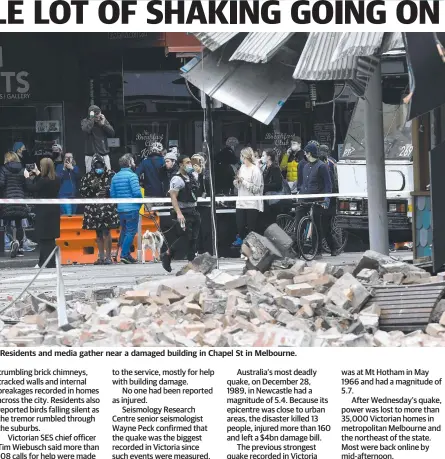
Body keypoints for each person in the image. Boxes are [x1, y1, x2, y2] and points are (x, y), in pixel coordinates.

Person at [293, 142, 339, 257]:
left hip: (317, 199)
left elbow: (328, 185)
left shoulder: (322, 166)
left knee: (317, 224)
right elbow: (302, 183)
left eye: (305, 152)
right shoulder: (305, 166)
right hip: (304, 197)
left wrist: (326, 200)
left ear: (309, 153)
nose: (304, 154)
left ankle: (317, 250)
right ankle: (297, 249)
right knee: (298, 221)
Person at [161, 155, 201, 272]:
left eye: (190, 162)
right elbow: (173, 197)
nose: (190, 164)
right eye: (187, 162)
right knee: (185, 237)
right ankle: (167, 254)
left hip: (193, 210)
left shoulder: (192, 176)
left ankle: (191, 263)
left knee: (194, 238)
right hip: (183, 211)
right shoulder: (177, 179)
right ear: (181, 164)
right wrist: (179, 213)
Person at [80, 154, 120, 265]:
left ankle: (108, 257)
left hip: (108, 210)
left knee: (107, 232)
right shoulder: (88, 177)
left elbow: (117, 189)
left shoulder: (111, 175)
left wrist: (109, 191)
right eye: (97, 167)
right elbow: (83, 193)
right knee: (98, 234)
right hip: (93, 210)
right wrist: (91, 187)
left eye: (101, 167)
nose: (99, 169)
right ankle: (101, 257)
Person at [24, 159, 61, 268]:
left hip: (44, 211)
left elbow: (32, 187)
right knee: (50, 238)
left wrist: (27, 177)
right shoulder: (57, 179)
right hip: (53, 210)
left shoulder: (43, 180)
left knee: (44, 238)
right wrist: (38, 173)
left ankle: (48, 263)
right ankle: (43, 262)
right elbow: (45, 182)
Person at [110, 154, 142, 264]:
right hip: (132, 208)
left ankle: (126, 254)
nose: (134, 164)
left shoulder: (115, 176)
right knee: (131, 232)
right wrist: (140, 202)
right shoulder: (132, 176)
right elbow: (137, 193)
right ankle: (124, 254)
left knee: (124, 231)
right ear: (129, 163)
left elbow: (113, 195)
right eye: (133, 162)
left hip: (121, 209)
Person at [232, 147, 264, 249]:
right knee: (240, 226)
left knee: (251, 228)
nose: (240, 158)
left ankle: (252, 248)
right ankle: (242, 243)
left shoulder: (256, 170)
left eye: (242, 156)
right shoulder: (241, 168)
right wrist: (236, 182)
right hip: (241, 202)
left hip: (252, 203)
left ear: (246, 156)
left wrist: (244, 182)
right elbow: (238, 185)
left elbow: (256, 189)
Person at [0, 152, 29, 258]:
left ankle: (13, 241)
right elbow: (27, 186)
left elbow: (1, 183)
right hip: (20, 200)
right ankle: (20, 249)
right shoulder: (22, 169)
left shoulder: (3, 169)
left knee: (7, 223)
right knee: (19, 224)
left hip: (8, 200)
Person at [81, 105, 115, 173]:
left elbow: (112, 133)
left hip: (103, 153)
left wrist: (103, 125)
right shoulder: (85, 121)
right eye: (96, 116)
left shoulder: (103, 121)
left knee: (107, 174)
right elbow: (86, 130)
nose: (98, 118)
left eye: (99, 115)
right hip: (90, 154)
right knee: (90, 176)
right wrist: (92, 119)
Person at [191, 153, 212, 254]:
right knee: (196, 229)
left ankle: (206, 250)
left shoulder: (206, 174)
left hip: (205, 205)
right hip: (195, 205)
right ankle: (198, 250)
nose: (194, 167)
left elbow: (207, 189)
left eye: (196, 165)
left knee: (205, 229)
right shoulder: (191, 175)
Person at [262, 149, 285, 230]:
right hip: (267, 200)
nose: (262, 157)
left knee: (271, 224)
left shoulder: (275, 168)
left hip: (273, 201)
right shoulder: (265, 168)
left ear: (268, 157)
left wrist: (264, 186)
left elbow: (277, 185)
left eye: (263, 155)